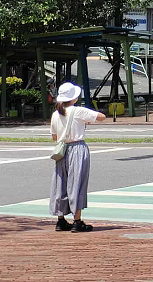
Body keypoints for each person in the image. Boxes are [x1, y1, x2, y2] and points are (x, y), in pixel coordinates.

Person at [49, 82, 106, 232]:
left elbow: (54, 137)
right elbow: (102, 117)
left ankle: (60, 220)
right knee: (77, 183)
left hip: (61, 150)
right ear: (73, 98)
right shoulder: (78, 110)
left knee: (60, 183)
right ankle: (77, 220)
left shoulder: (56, 114)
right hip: (77, 148)